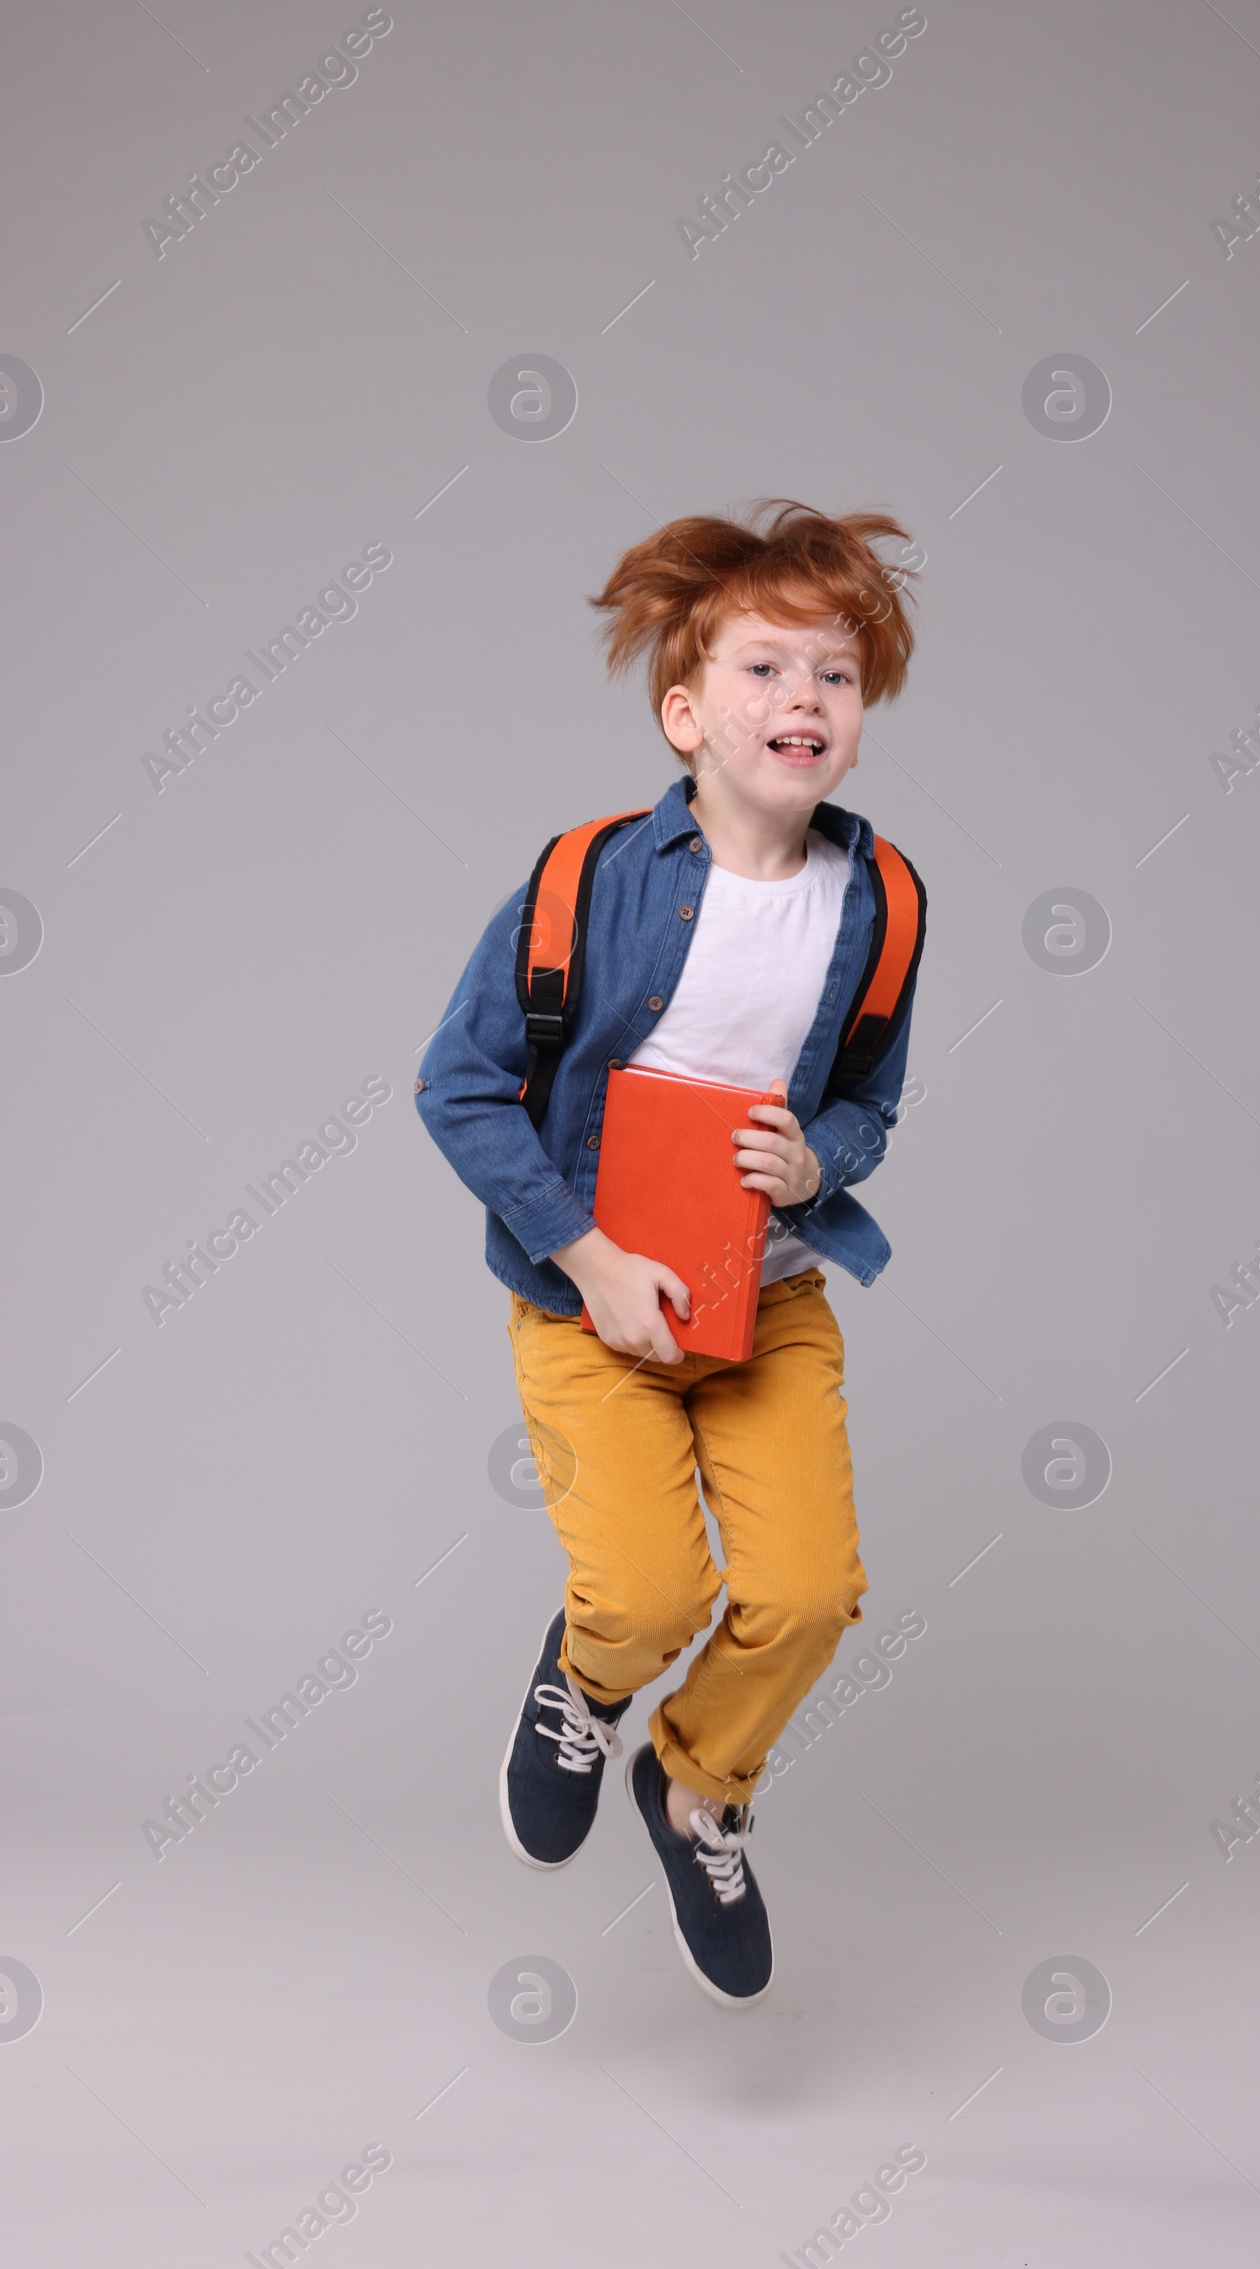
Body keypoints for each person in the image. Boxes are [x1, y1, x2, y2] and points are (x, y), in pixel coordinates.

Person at [414, 500, 925, 2006]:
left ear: (862, 719)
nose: (805, 702)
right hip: (593, 1314)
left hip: (769, 1302)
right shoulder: (588, 879)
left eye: (835, 675)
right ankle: (584, 1691)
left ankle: (698, 1786)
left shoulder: (882, 902)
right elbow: (457, 1082)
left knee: (814, 1593)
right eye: (766, 672)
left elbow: (873, 1099)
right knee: (642, 1598)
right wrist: (584, 1255)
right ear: (686, 712)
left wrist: (822, 1155)